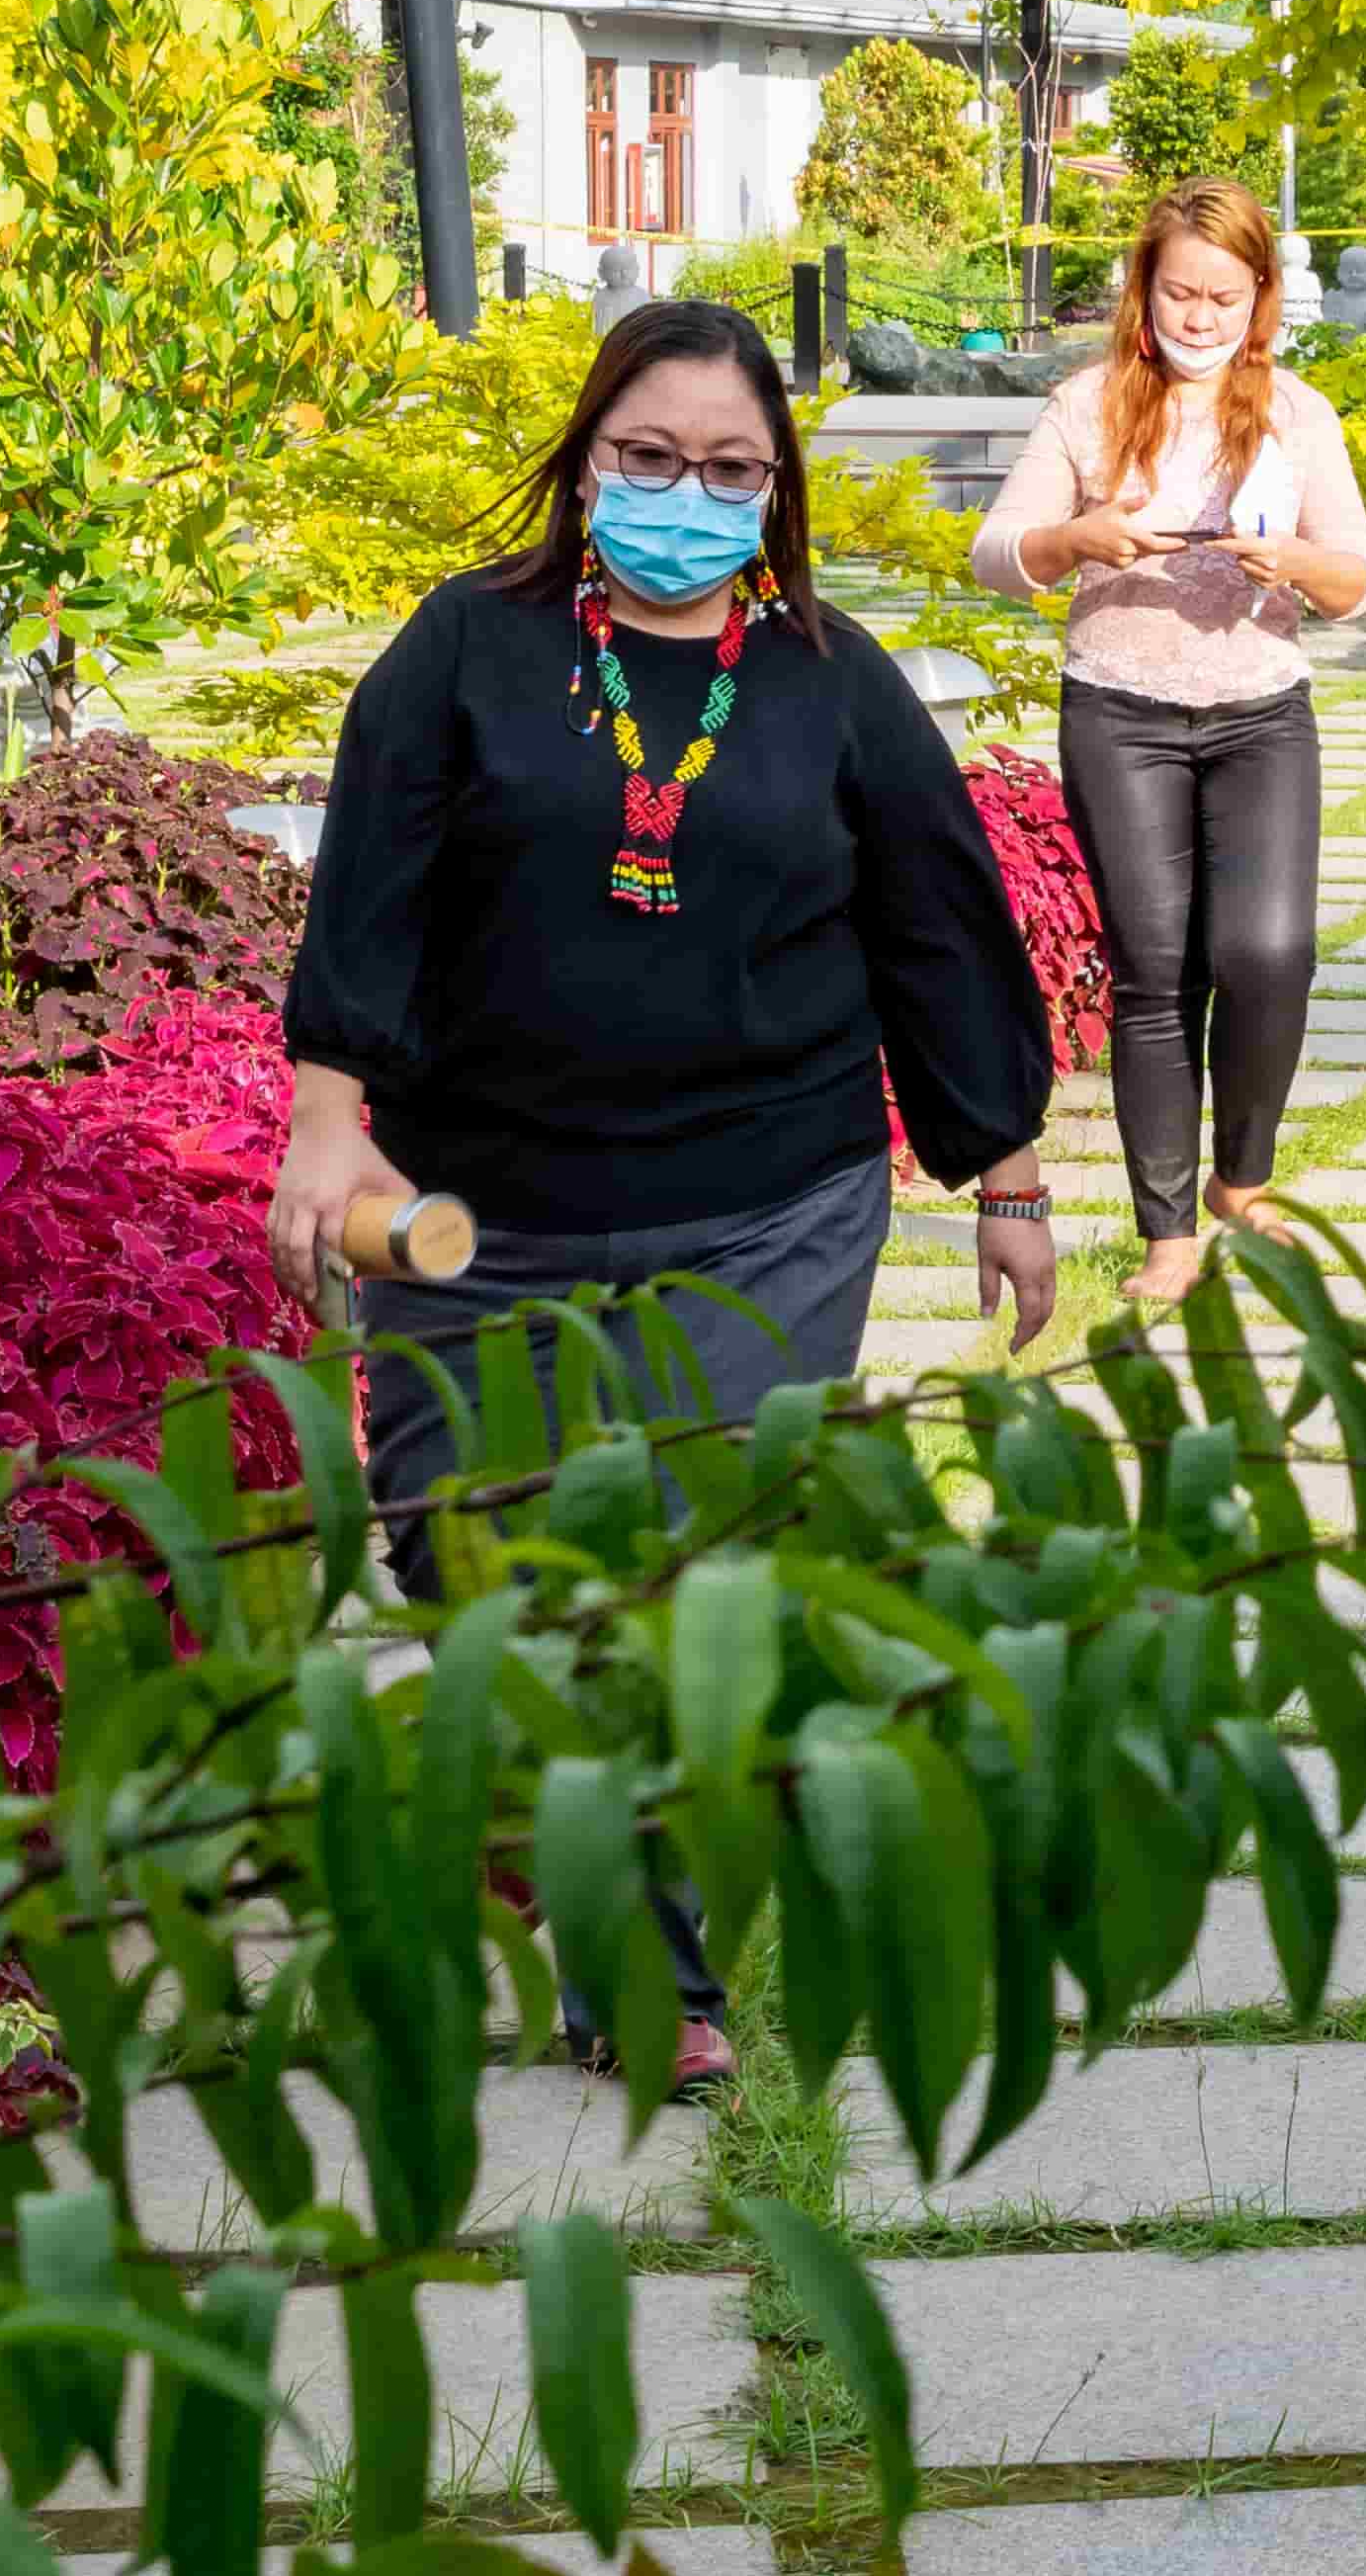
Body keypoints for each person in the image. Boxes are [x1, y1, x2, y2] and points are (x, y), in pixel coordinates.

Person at [271, 297, 1062, 2084]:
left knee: (688, 1580)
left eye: (725, 469)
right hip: (481, 1211)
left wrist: (1002, 1168)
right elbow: (369, 894)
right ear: (584, 456)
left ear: (772, 487)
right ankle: (539, 1800)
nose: (681, 495)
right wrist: (329, 1123)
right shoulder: (464, 652)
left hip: (762, 1204)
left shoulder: (825, 679)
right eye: (647, 458)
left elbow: (935, 920)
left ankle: (649, 1974)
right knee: (469, 1559)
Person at [971, 175, 1366, 1307]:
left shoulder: (1299, 413)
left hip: (1261, 710)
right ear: (1142, 292)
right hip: (1120, 710)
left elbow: (1360, 578)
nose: (1198, 317)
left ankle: (1242, 1181)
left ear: (1260, 299)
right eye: (1178, 293)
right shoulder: (1088, 403)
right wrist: (1077, 537)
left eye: (1224, 296)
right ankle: (1167, 1232)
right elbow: (995, 549)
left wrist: (1300, 563)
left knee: (1269, 954)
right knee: (1154, 975)